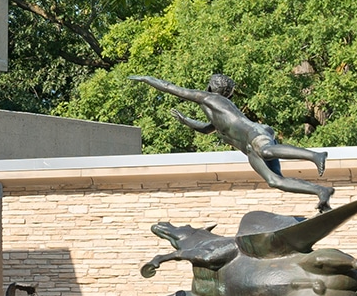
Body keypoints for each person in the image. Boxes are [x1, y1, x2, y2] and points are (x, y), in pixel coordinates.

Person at [129, 73, 333, 209]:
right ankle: (320, 191)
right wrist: (186, 121)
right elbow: (207, 129)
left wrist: (146, 79)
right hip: (248, 147)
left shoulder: (209, 98)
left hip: (255, 133)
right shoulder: (216, 112)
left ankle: (315, 155)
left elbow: (170, 87)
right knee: (274, 181)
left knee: (266, 151)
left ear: (211, 87)